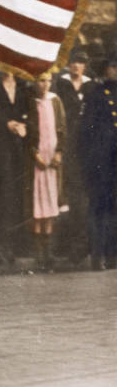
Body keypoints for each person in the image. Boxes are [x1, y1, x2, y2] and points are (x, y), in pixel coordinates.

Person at [0, 71, 29, 263]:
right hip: (0, 148)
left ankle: (16, 245)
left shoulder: (24, 86)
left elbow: (28, 110)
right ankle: (1, 245)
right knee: (2, 195)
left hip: (19, 147)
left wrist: (23, 124)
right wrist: (6, 123)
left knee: (17, 194)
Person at [78, 53, 117, 270]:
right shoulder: (95, 95)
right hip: (101, 164)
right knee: (100, 209)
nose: (115, 71)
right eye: (112, 67)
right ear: (105, 70)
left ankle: (112, 255)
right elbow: (86, 132)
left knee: (113, 210)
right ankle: (97, 255)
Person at [55, 50, 94, 265]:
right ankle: (71, 247)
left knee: (86, 198)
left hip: (88, 148)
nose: (77, 66)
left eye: (81, 63)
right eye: (74, 63)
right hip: (67, 147)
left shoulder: (92, 86)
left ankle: (87, 244)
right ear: (68, 65)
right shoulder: (60, 86)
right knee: (69, 198)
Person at [24, 74, 66, 272]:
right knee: (37, 206)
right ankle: (38, 255)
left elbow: (62, 129)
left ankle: (48, 255)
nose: (45, 84)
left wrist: (59, 152)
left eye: (48, 80)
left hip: (52, 160)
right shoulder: (31, 103)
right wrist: (35, 154)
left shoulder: (55, 101)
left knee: (50, 205)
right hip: (37, 161)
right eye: (41, 80)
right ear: (35, 82)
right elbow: (29, 133)